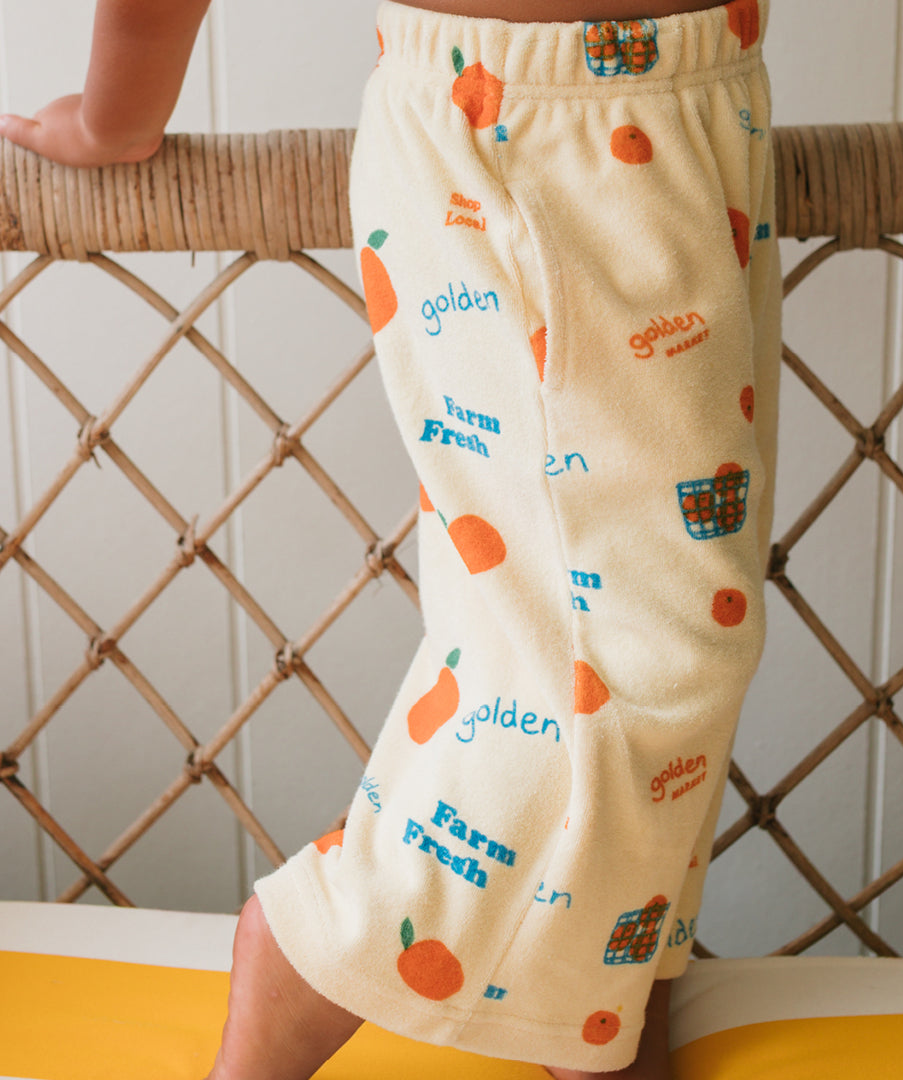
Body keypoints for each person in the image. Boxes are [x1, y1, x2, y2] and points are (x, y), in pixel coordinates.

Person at [0, 0, 780, 1076]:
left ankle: (600, 984)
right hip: (520, 125)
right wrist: (113, 119)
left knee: (581, 618)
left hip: (700, 99)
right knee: (656, 640)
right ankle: (323, 947)